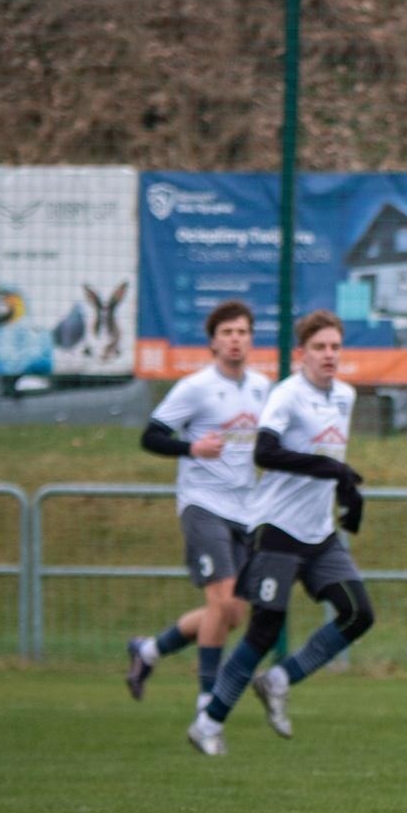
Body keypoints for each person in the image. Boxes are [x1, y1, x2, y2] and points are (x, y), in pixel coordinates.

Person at [187, 309, 373, 755]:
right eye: (319, 347)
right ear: (300, 354)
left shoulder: (345, 396)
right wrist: (333, 469)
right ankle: (208, 724)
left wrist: (347, 492)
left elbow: (328, 461)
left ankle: (278, 679)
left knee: (357, 613)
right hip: (276, 528)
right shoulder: (287, 396)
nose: (329, 355)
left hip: (319, 533)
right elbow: (265, 453)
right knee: (264, 630)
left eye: (335, 347)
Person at [126, 301, 270, 713]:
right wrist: (192, 448)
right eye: (227, 333)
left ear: (251, 339)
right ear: (213, 342)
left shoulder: (262, 388)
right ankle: (208, 698)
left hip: (245, 509)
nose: (235, 340)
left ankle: (149, 651)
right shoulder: (196, 387)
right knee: (221, 602)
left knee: (233, 613)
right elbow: (151, 436)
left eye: (242, 332)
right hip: (203, 504)